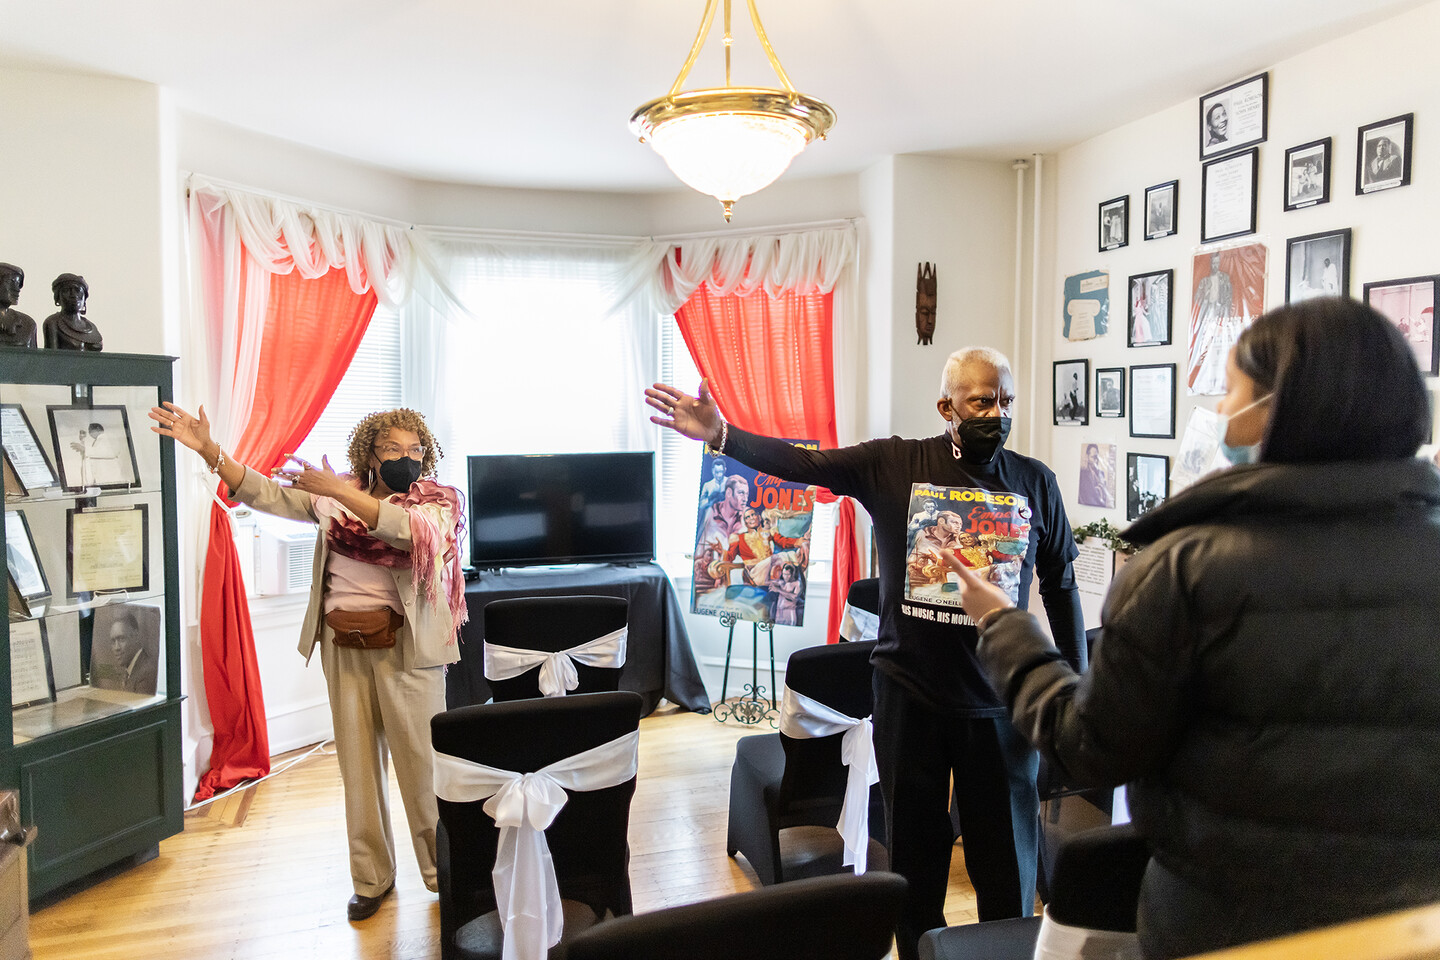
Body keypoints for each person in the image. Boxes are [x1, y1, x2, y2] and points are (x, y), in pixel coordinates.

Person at [945, 297, 1440, 959]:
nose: (1217, 410)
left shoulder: (1187, 570)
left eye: (1229, 389)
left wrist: (1004, 625)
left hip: (1225, 924)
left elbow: (1089, 747)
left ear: (1273, 407)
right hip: (1407, 928)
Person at [646, 351, 1086, 960]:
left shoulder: (1035, 482)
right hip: (911, 698)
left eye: (1006, 401)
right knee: (914, 866)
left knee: (1008, 873)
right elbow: (805, 464)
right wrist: (723, 435)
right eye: (983, 401)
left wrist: (1076, 691)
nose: (997, 414)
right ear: (947, 406)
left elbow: (1061, 586)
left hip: (1001, 706)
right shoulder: (894, 463)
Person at [148, 402, 468, 922]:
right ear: (369, 453)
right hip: (344, 646)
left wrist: (338, 489)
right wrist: (210, 450)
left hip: (410, 650)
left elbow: (407, 531)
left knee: (422, 770)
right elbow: (267, 493)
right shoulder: (330, 502)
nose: (405, 458)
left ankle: (444, 878)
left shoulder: (438, 501)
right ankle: (371, 878)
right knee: (358, 772)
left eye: (415, 449)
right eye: (392, 448)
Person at [1189, 252, 1236, 395]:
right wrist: (1205, 298)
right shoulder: (1204, 281)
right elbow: (1197, 298)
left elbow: (1229, 295)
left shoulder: (1225, 278)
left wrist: (1224, 308)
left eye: (1217, 262)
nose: (1215, 265)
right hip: (1208, 311)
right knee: (1206, 344)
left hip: (1221, 313)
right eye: (1213, 263)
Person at [90, 609, 159, 694]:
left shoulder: (146, 673)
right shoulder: (131, 670)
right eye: (113, 641)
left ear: (136, 636)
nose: (116, 648)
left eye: (121, 639)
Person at [43, 273, 103, 350]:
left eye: (78, 290)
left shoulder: (91, 326)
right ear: (58, 298)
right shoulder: (53, 322)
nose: (73, 295)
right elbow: (52, 355)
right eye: (66, 290)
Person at [70, 422, 126, 486]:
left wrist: (85, 449)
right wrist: (82, 442)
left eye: (90, 431)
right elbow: (96, 454)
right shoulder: (99, 440)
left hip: (111, 478)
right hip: (102, 479)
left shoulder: (109, 437)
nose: (89, 433)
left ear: (98, 429)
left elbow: (112, 452)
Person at [0, 263, 37, 348]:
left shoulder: (28, 324)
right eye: (11, 282)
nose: (17, 289)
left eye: (18, 284)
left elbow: (34, 356)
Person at [1077, 443, 1112, 508]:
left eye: (1097, 457)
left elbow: (1105, 496)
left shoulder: (1101, 474)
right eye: (1093, 457)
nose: (1096, 460)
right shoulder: (1083, 474)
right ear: (1087, 456)